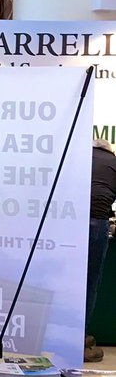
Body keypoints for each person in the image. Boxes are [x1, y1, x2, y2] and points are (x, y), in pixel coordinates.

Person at [85, 138, 116, 363]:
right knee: (90, 281)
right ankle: (79, 336)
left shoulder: (78, 157)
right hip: (97, 221)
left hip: (68, 219)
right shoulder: (113, 161)